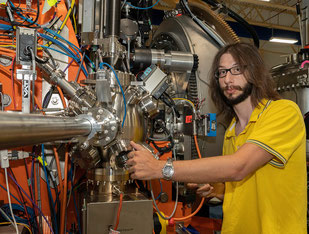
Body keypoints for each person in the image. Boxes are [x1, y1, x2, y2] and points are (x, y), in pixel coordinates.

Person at [126, 42, 307, 234]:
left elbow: (238, 167)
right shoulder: (231, 130)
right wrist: (217, 191)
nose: (228, 79)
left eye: (236, 69)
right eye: (221, 72)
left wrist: (160, 168)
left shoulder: (283, 112)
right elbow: (240, 186)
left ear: (254, 72)